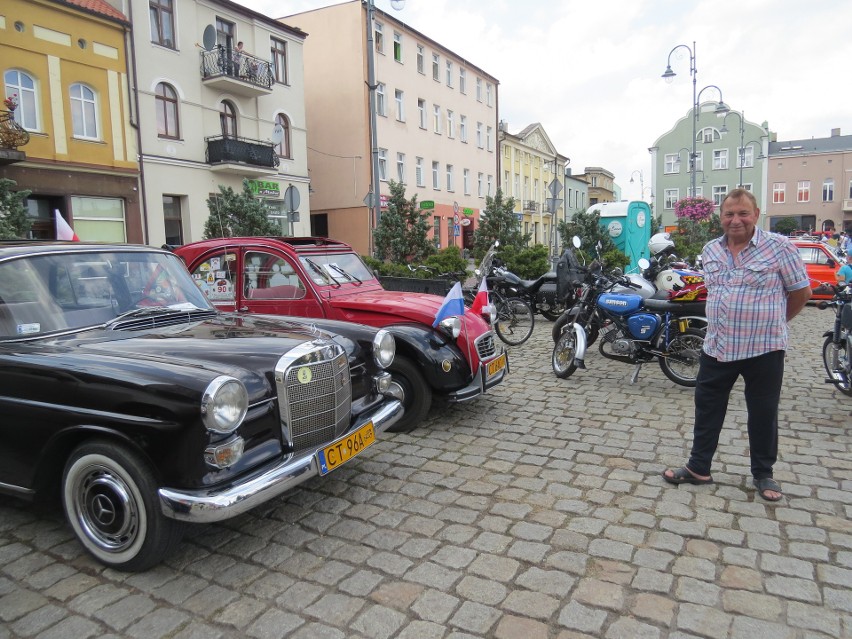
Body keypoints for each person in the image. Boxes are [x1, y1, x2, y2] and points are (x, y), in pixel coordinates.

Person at [663, 188, 812, 502]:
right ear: (721, 217)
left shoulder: (779, 247)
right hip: (717, 346)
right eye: (729, 214)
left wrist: (776, 322)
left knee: (762, 412)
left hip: (764, 349)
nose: (736, 220)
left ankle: (763, 474)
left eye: (743, 213)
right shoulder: (711, 250)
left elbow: (801, 293)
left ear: (756, 215)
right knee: (707, 409)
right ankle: (698, 468)